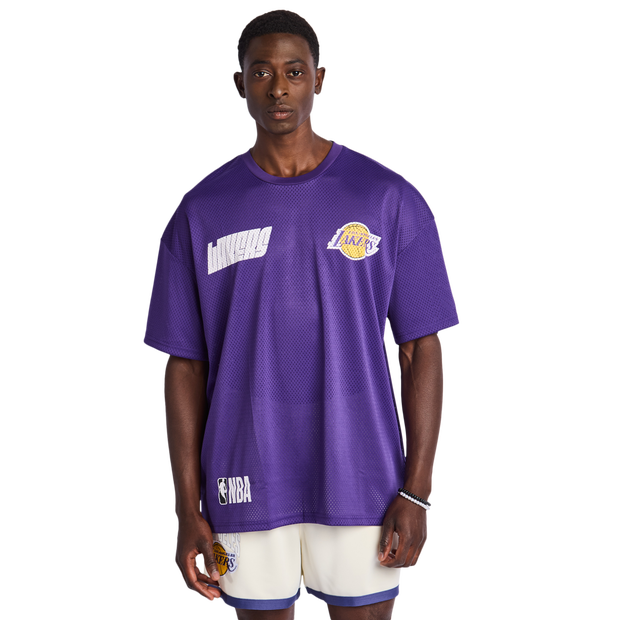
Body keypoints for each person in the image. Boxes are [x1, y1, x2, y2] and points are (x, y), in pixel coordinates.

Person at [142, 8, 460, 620]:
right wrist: (186, 508)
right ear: (239, 84)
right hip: (243, 476)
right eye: (261, 72)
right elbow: (184, 366)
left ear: (320, 78)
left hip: (363, 479)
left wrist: (418, 490)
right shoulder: (201, 212)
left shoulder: (388, 198)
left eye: (294, 71)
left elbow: (422, 347)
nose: (279, 87)